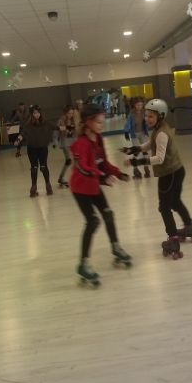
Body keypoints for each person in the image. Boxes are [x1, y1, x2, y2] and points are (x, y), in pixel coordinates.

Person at [121, 98, 192, 260]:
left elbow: (159, 158)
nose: (147, 119)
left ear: (160, 116)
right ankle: (190, 227)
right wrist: (133, 149)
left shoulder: (161, 133)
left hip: (168, 174)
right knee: (175, 201)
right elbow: (150, 144)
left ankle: (173, 240)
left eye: (151, 116)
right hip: (177, 170)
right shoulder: (160, 129)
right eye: (146, 115)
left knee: (164, 208)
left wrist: (136, 162)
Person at [70, 103, 131, 285]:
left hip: (93, 186)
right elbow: (82, 167)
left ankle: (115, 247)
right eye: (98, 121)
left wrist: (118, 173)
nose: (102, 124)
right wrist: (102, 175)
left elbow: (103, 162)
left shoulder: (98, 139)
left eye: (102, 120)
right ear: (88, 122)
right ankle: (83, 264)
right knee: (93, 221)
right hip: (80, 188)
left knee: (108, 214)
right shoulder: (80, 143)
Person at [14, 104, 61, 198]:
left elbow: (56, 128)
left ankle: (47, 186)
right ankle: (34, 187)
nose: (37, 114)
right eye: (35, 113)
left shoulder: (45, 123)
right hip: (33, 149)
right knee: (35, 168)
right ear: (32, 114)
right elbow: (23, 133)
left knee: (42, 167)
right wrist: (18, 140)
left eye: (38, 112)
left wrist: (69, 127)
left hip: (42, 148)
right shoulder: (28, 125)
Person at [123, 96, 151, 179]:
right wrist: (126, 132)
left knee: (145, 151)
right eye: (138, 105)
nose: (139, 107)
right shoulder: (132, 114)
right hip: (134, 135)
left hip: (142, 133)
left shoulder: (144, 113)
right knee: (135, 152)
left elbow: (148, 120)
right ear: (134, 105)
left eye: (141, 105)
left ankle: (146, 167)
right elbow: (127, 124)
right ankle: (135, 169)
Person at [57, 105, 76, 188]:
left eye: (72, 113)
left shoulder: (73, 120)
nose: (70, 115)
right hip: (65, 144)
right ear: (65, 113)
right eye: (69, 113)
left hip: (73, 143)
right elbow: (56, 131)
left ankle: (78, 177)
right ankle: (61, 178)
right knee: (68, 161)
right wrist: (55, 142)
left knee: (78, 160)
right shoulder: (61, 120)